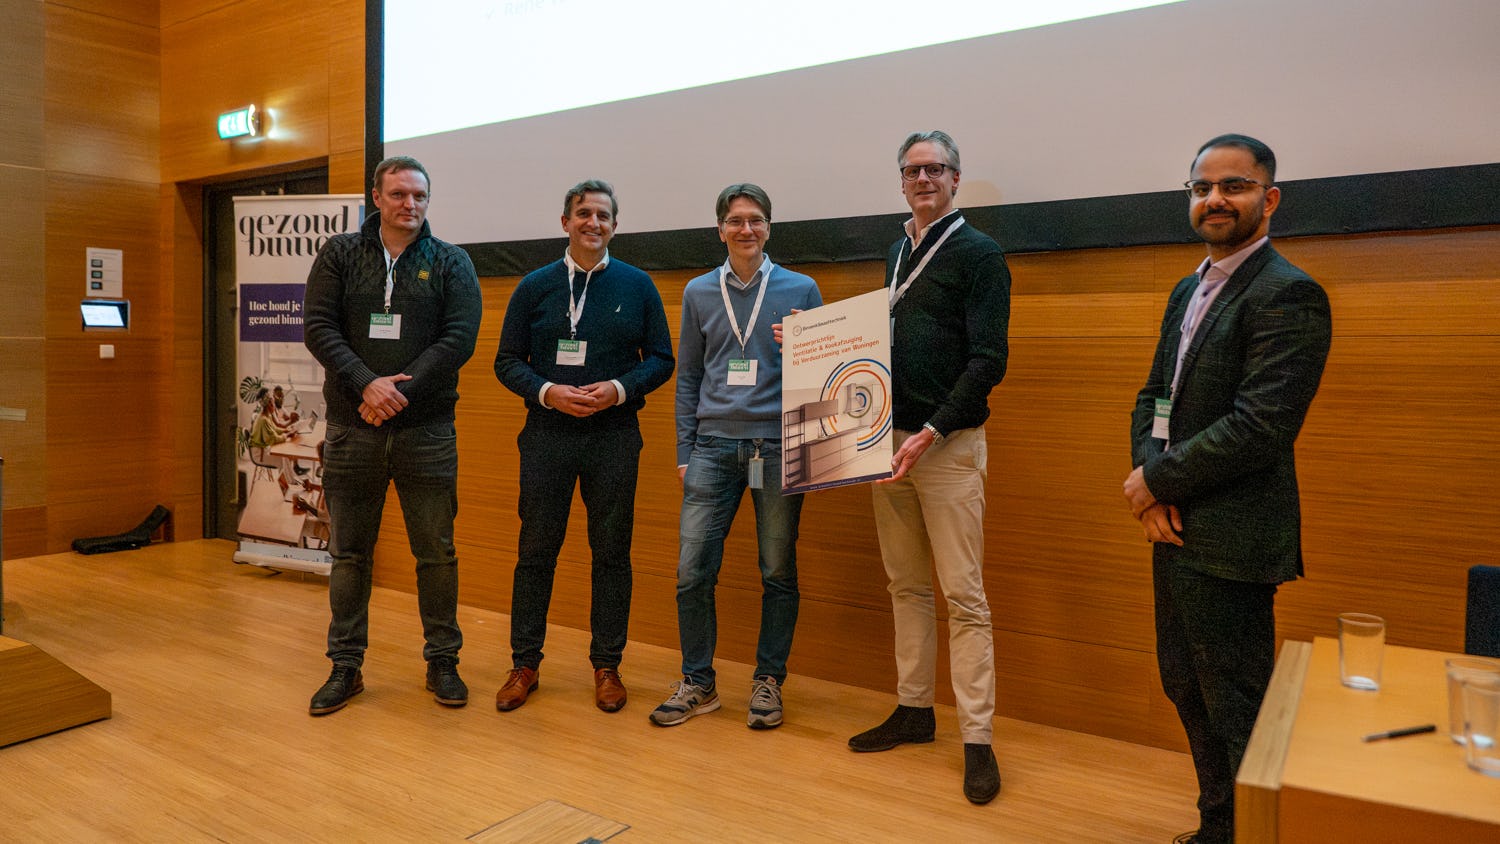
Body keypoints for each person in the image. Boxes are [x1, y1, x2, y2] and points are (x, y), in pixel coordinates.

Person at [1124, 134, 1331, 844]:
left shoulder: (1289, 293)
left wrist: (1155, 479)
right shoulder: (1189, 289)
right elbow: (1155, 396)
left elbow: (1260, 426)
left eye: (1233, 186)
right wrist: (1152, 486)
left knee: (1239, 707)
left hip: (1234, 536)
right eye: (1201, 187)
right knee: (1184, 684)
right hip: (1174, 526)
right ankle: (1219, 827)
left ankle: (1255, 834)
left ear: (1268, 200)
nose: (1214, 199)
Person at [846, 131, 1011, 805]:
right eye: (912, 170)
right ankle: (915, 709)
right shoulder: (898, 251)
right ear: (901, 180)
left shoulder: (980, 253)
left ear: (955, 178)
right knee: (906, 586)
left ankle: (977, 738)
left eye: (934, 169)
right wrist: (808, 347)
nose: (923, 179)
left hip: (947, 448)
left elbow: (989, 360)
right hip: (888, 443)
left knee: (964, 597)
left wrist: (933, 430)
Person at [301, 155, 483, 715]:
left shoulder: (451, 261)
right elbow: (318, 327)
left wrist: (396, 393)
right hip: (352, 430)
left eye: (419, 196)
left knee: (436, 553)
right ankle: (345, 667)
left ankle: (443, 662)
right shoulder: (339, 254)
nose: (410, 204)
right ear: (376, 197)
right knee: (350, 555)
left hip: (426, 433)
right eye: (399, 194)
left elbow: (459, 338)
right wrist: (366, 383)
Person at [494, 179, 674, 713]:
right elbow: (506, 361)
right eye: (583, 213)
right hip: (546, 436)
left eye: (603, 215)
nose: (593, 222)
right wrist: (547, 392)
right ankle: (524, 663)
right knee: (535, 552)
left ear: (615, 226)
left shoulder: (638, 285)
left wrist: (618, 389)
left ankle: (607, 665)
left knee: (612, 553)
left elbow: (661, 359)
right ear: (565, 222)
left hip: (613, 437)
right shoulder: (534, 286)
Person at [649, 184, 822, 730]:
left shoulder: (801, 288)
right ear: (720, 229)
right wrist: (684, 451)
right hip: (712, 448)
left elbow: (825, 378)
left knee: (777, 570)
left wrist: (801, 350)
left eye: (756, 220)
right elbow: (688, 378)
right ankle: (699, 682)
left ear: (769, 228)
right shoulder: (699, 292)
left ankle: (768, 681)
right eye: (736, 220)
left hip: (779, 446)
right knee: (692, 572)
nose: (746, 229)